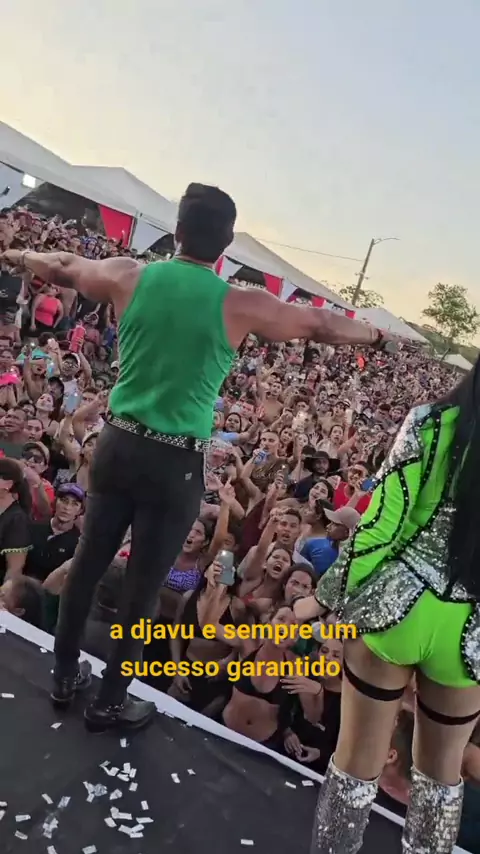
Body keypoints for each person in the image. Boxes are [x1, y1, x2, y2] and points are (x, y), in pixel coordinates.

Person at [2, 182, 389, 734]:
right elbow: (321, 324)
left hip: (117, 443)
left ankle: (64, 675)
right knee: (142, 587)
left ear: (178, 232)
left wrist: (19, 254)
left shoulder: (130, 275)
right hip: (174, 462)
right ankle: (110, 701)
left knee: (87, 564)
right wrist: (372, 334)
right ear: (226, 245)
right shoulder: (239, 302)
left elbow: (64, 264)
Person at [295, 360, 480, 854]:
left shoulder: (430, 423)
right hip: (470, 633)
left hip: (394, 609)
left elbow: (381, 527)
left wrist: (323, 597)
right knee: (441, 781)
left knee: (355, 766)